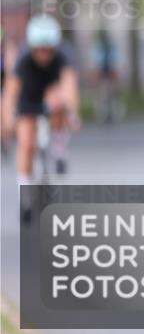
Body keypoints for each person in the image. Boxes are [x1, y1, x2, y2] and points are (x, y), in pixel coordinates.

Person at [1, 15, 81, 222]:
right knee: (26, 144)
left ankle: (59, 145)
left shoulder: (63, 56)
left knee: (58, 99)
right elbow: (10, 92)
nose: (44, 54)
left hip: (50, 95)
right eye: (40, 49)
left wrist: (73, 114)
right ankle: (25, 192)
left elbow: (70, 86)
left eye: (49, 49)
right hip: (28, 98)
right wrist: (8, 118)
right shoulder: (23, 59)